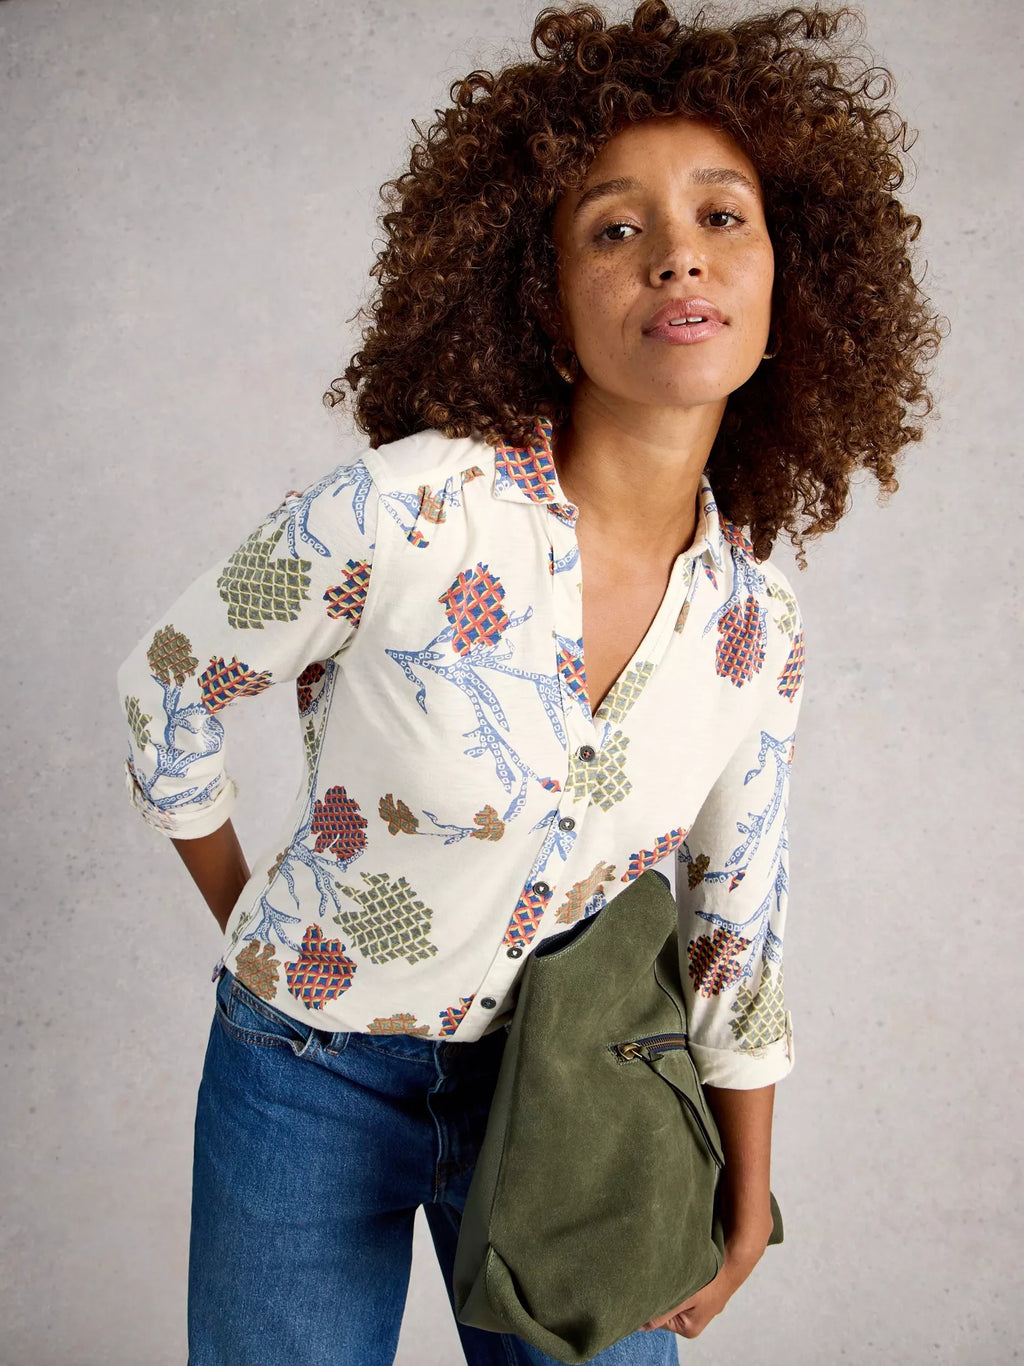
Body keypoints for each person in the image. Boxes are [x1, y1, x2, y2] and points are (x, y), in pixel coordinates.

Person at [115, 3, 943, 1363]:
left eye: (724, 216)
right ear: (545, 306)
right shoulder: (407, 514)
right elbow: (167, 686)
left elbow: (737, 913)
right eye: (615, 230)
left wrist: (744, 1193)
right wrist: (258, 924)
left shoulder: (755, 621)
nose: (680, 248)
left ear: (791, 282)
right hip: (308, 1083)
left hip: (582, 1090)